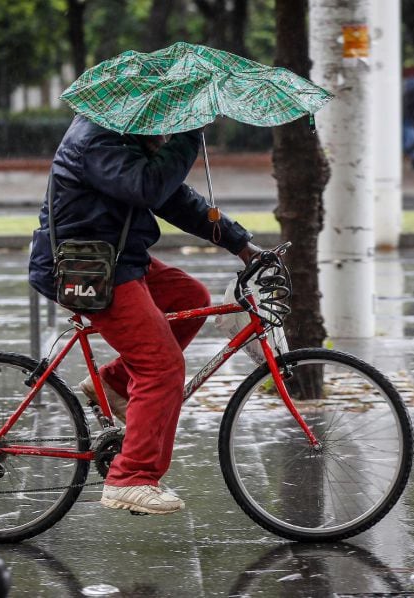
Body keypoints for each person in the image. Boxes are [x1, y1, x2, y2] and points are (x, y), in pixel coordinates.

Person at [29, 115, 260, 514]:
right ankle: (131, 477)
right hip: (85, 267)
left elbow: (172, 198)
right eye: (169, 120)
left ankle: (115, 385)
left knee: (190, 298)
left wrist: (241, 245)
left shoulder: (125, 138)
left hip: (116, 258)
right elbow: (147, 186)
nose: (168, 129)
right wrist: (190, 136)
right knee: (162, 366)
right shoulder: (97, 140)